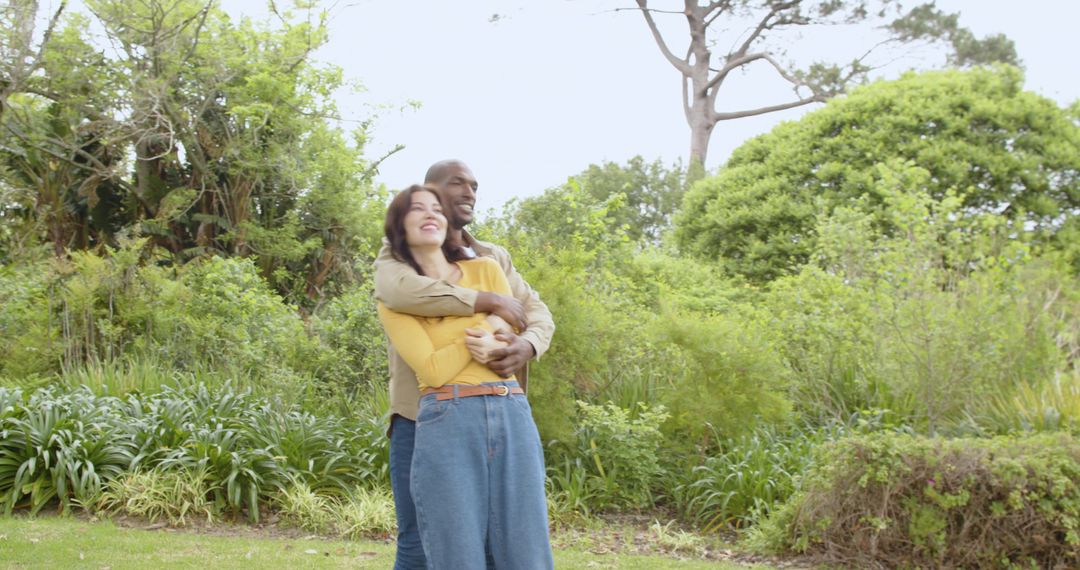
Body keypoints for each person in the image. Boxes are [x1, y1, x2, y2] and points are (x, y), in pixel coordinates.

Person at [374, 160, 555, 569]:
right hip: (422, 416)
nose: (469, 191)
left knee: (513, 542)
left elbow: (534, 312)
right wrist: (489, 306)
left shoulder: (492, 259)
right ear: (429, 190)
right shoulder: (395, 260)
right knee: (424, 543)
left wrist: (525, 345)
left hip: (502, 406)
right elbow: (396, 295)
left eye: (474, 185)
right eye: (457, 183)